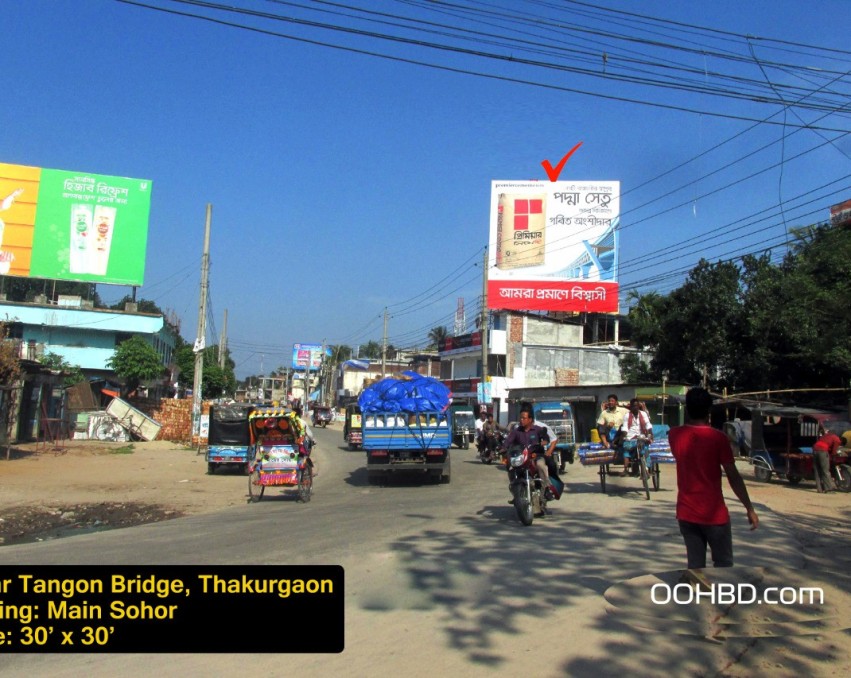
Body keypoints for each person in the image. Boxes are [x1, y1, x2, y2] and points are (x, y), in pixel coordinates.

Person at [669, 387, 758, 569]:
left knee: (695, 567)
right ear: (709, 411)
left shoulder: (674, 435)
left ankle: (697, 596)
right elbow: (733, 477)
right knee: (724, 564)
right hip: (714, 514)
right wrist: (749, 507)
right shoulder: (718, 438)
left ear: (687, 410)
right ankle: (721, 597)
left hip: (686, 512)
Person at [502, 404, 557, 506]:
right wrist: (503, 448)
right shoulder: (516, 431)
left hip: (535, 456)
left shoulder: (537, 429)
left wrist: (545, 441)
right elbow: (508, 441)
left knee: (541, 465)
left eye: (524, 418)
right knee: (510, 468)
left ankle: (547, 489)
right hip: (522, 458)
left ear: (530, 419)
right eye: (521, 418)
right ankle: (516, 494)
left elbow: (545, 437)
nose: (521, 420)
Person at [616, 398, 653, 475]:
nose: (635, 407)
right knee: (626, 449)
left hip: (641, 436)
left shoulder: (643, 414)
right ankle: (626, 469)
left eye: (636, 406)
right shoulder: (627, 415)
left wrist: (650, 434)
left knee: (645, 449)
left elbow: (648, 424)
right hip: (630, 437)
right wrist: (623, 436)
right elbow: (625, 427)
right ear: (631, 407)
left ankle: (647, 468)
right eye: (633, 406)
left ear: (638, 406)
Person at [812, 425, 842, 493]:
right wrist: (834, 455)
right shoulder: (836, 438)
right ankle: (828, 489)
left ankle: (819, 489)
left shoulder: (825, 436)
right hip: (822, 451)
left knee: (817, 470)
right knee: (825, 470)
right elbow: (834, 451)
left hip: (815, 449)